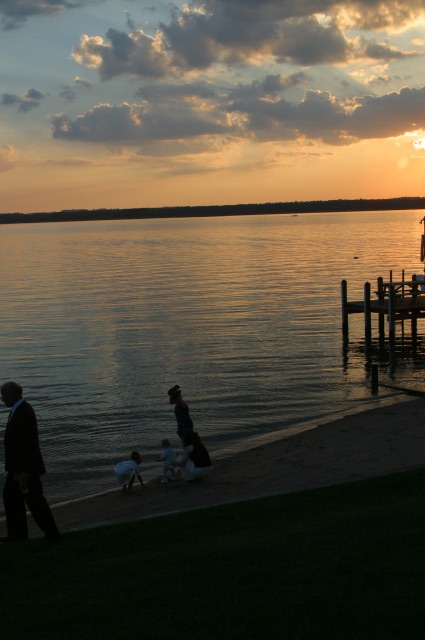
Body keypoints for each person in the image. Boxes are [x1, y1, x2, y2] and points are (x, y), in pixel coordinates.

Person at [1, 381, 61, 542]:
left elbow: (29, 444)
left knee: (35, 502)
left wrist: (27, 471)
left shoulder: (24, 412)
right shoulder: (19, 410)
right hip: (17, 467)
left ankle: (52, 534)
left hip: (25, 469)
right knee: (12, 498)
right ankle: (18, 534)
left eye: (4, 395)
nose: (2, 399)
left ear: (12, 394)